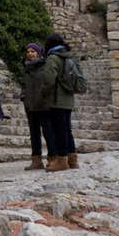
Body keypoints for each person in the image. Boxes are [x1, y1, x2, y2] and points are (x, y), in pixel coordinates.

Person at [40, 34, 78, 172]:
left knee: (59, 130)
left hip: (56, 100)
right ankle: (72, 159)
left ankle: (62, 160)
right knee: (67, 129)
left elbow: (49, 79)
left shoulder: (53, 58)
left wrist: (43, 92)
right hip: (68, 99)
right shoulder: (68, 57)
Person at [21, 42, 55, 170]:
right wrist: (23, 96)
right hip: (30, 105)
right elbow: (24, 85)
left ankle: (52, 158)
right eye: (28, 51)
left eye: (33, 51)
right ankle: (36, 160)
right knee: (33, 134)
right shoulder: (26, 67)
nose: (30, 54)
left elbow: (50, 83)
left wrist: (45, 97)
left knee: (48, 132)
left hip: (44, 105)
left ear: (39, 53)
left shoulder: (45, 66)